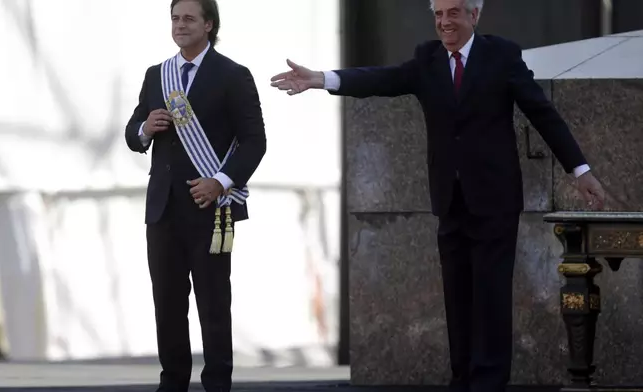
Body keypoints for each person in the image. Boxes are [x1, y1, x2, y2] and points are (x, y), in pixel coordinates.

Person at [270, 0, 605, 391]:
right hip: (450, 199)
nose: (444, 22)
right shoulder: (426, 59)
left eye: (453, 13)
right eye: (438, 14)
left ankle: (489, 382)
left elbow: (541, 112)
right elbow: (382, 80)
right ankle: (462, 380)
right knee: (457, 298)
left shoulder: (501, 56)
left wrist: (579, 170)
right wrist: (321, 79)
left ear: (474, 15)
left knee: (491, 298)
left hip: (494, 201)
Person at [125, 0, 266, 390]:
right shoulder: (158, 75)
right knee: (168, 305)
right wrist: (144, 129)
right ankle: (172, 383)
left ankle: (217, 384)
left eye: (188, 18)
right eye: (174, 18)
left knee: (213, 304)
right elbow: (133, 130)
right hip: (163, 208)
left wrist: (220, 181)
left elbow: (255, 141)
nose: (179, 25)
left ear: (208, 24)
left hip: (211, 208)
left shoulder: (233, 75)